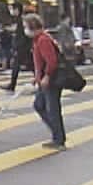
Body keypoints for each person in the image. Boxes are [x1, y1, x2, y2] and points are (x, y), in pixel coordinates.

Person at [27, 14, 66, 150]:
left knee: (52, 108)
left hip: (51, 81)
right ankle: (56, 134)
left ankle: (59, 139)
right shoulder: (38, 40)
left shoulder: (43, 40)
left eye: (27, 27)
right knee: (39, 105)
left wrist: (47, 76)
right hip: (44, 80)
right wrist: (37, 77)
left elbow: (52, 61)